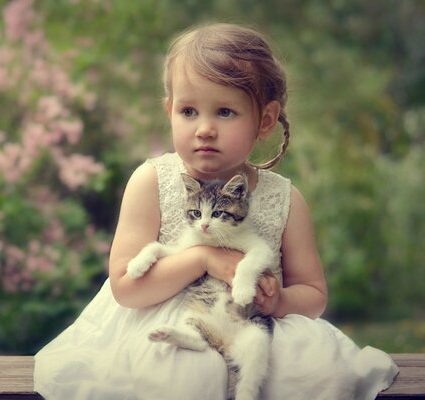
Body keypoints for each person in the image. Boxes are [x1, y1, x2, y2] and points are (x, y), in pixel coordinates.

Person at [34, 22, 398, 399]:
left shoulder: (284, 198)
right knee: (188, 374)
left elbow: (313, 293)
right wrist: (205, 258)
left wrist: (278, 301)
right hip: (169, 325)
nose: (204, 129)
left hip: (250, 324)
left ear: (266, 120)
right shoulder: (151, 181)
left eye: (225, 112)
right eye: (189, 111)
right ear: (169, 111)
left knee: (314, 377)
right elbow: (126, 288)